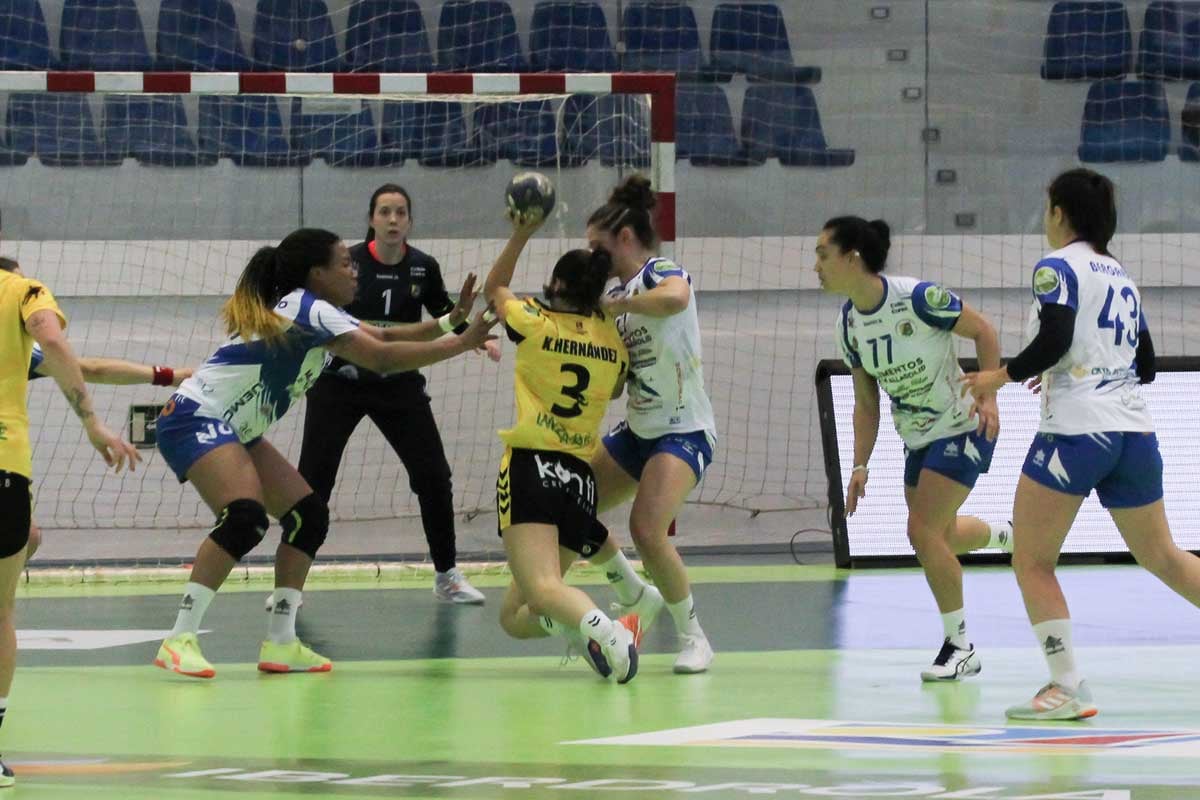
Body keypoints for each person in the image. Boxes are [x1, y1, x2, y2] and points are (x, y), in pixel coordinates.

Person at [153, 228, 495, 680]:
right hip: (194, 417)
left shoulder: (320, 311)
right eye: (344, 263)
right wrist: (461, 344)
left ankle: (281, 642)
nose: (354, 270)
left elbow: (385, 339)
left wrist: (451, 322)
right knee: (245, 516)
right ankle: (179, 637)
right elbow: (384, 361)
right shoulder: (305, 307)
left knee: (308, 515)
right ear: (317, 273)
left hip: (235, 429)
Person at [964, 168, 1200, 720]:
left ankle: (1067, 686)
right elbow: (1145, 364)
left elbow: (1058, 336)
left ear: (1059, 214)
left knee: (1031, 560)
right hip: (1134, 433)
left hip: (1075, 433)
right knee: (1163, 556)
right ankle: (1065, 685)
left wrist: (1003, 374)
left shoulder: (1056, 267)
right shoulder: (1121, 275)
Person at [814, 215, 1012, 681]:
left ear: (852, 258)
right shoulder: (848, 324)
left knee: (921, 533)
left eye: (823, 254)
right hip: (917, 438)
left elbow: (983, 330)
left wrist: (989, 397)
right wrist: (860, 464)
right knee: (938, 536)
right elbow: (866, 402)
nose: (815, 266)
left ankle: (960, 646)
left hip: (961, 426)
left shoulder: (918, 298)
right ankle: (1006, 535)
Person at [297, 185, 487, 605]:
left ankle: (448, 576)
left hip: (398, 384)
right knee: (313, 481)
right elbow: (369, 333)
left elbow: (442, 316)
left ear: (410, 222)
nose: (393, 219)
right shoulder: (345, 264)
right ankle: (294, 581)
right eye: (385, 212)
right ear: (371, 220)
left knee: (434, 476)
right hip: (338, 383)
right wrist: (458, 335)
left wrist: (472, 336)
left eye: (401, 212)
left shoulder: (423, 267)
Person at [484, 200, 639, 683]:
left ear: (556, 286)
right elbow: (614, 388)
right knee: (517, 617)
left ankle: (612, 634)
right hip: (580, 480)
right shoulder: (612, 344)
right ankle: (591, 631)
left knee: (546, 590)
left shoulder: (534, 321)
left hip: (532, 468)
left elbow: (494, 290)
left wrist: (521, 234)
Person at [0, 258, 139, 787]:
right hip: (4, 466)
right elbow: (55, 345)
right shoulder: (24, 290)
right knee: (1, 613)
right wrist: (92, 422)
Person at [573, 175, 718, 674]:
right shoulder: (615, 302)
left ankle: (695, 637)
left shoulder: (659, 273)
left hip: (684, 429)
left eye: (598, 247)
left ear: (625, 240)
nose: (593, 257)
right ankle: (635, 595)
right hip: (638, 429)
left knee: (646, 528)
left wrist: (621, 306)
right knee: (573, 500)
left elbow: (676, 300)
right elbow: (616, 384)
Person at [3, 254, 194, 561]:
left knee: (29, 537)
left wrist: (167, 375)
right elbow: (81, 363)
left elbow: (87, 368)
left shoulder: (21, 352)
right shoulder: (26, 304)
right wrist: (94, 424)